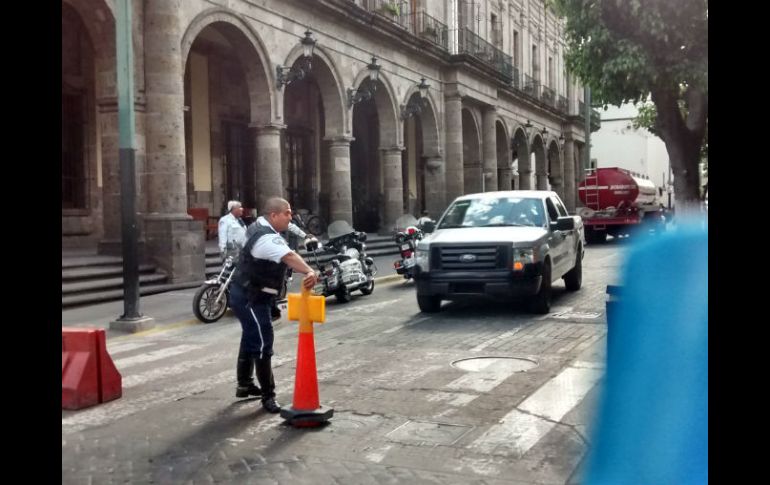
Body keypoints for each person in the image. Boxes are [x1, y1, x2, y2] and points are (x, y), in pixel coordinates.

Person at [229, 197, 319, 413]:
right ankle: (268, 395)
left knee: (251, 336)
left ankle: (244, 384)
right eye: (287, 213)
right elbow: (289, 256)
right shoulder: (266, 238)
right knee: (262, 342)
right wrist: (309, 271)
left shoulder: (258, 225)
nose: (290, 217)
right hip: (251, 297)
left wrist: (304, 235)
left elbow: (292, 233)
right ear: (273, 215)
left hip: (249, 292)